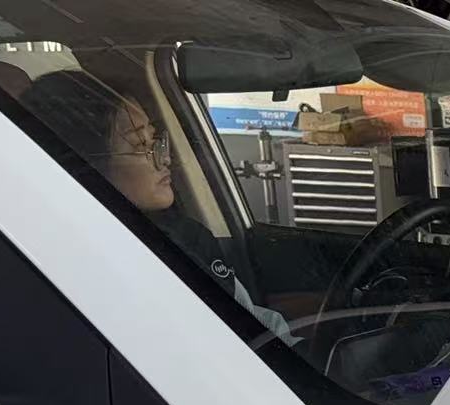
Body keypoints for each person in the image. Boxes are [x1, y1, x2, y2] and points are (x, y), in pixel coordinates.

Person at [17, 70, 296, 345]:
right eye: (141, 145)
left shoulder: (185, 237)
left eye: (155, 140)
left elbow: (249, 323)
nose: (164, 159)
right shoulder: (67, 269)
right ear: (84, 164)